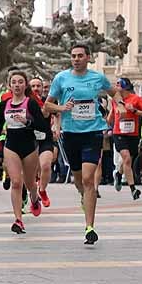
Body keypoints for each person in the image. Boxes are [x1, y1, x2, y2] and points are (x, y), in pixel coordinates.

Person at [45, 43, 113, 245]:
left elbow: (113, 92)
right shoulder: (61, 78)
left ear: (88, 57)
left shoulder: (97, 77)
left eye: (80, 55)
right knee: (78, 180)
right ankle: (84, 197)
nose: (76, 59)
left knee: (87, 179)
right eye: (73, 56)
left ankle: (89, 227)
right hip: (71, 134)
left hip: (93, 133)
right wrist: (62, 107)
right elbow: (47, 105)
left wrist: (119, 105)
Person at [0, 71, 48, 234]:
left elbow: (42, 125)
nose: (17, 85)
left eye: (20, 82)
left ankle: (34, 197)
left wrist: (27, 121)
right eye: (14, 82)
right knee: (16, 182)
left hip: (29, 146)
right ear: (9, 85)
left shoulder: (30, 103)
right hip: (11, 145)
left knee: (30, 183)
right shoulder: (5, 103)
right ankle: (18, 220)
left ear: (25, 85)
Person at [109, 77, 142, 200]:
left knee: (127, 161)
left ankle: (119, 175)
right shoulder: (114, 100)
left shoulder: (136, 99)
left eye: (118, 85)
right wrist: (109, 119)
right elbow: (111, 115)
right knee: (126, 157)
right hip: (118, 133)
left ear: (125, 87)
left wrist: (135, 111)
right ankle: (133, 189)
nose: (115, 88)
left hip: (132, 134)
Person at [29, 77, 57, 207]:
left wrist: (57, 127)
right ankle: (30, 197)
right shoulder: (26, 102)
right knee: (30, 172)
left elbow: (58, 114)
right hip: (29, 139)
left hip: (45, 138)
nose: (36, 88)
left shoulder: (48, 102)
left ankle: (42, 190)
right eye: (33, 86)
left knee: (46, 165)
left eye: (38, 86)